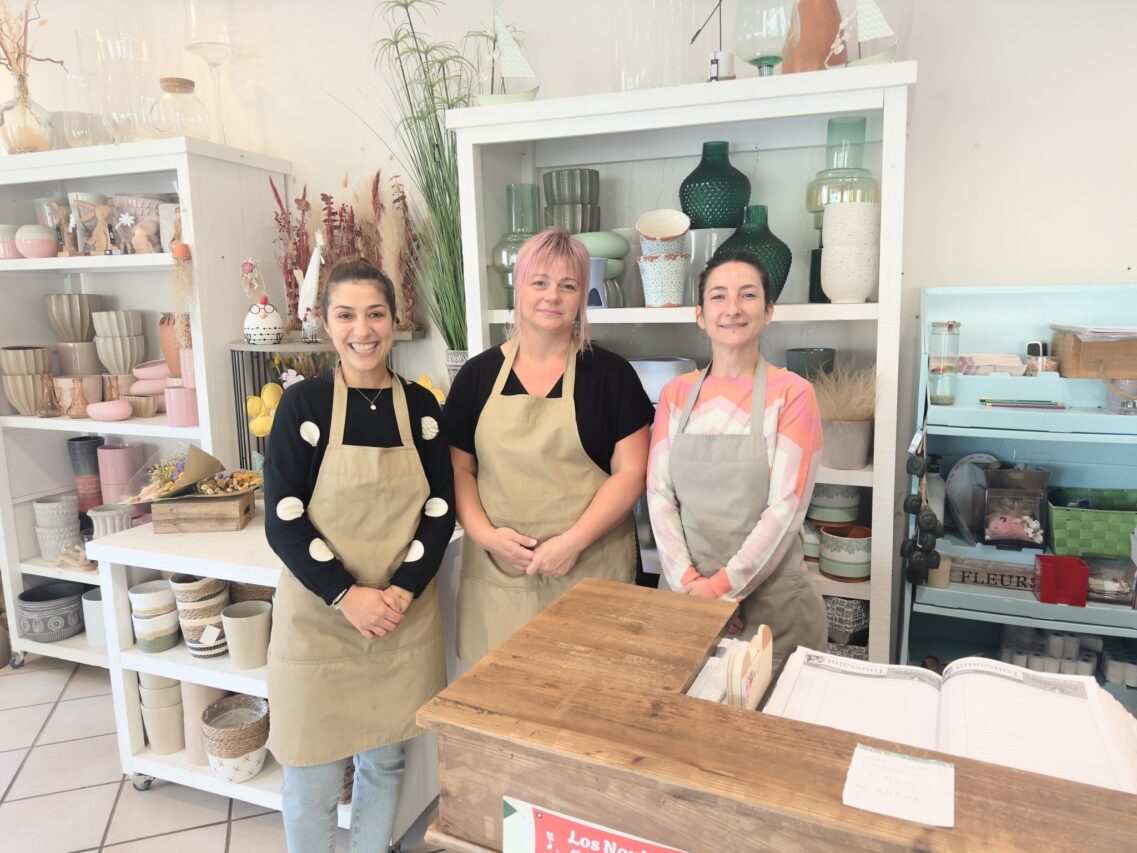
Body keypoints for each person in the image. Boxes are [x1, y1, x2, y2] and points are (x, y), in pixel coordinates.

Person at [263, 257, 455, 852]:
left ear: (395, 321)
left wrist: (399, 592)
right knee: (312, 775)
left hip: (398, 617)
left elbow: (440, 510)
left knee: (385, 762)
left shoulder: (422, 410)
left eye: (375, 313)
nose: (362, 329)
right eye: (346, 315)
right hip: (322, 615)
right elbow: (283, 518)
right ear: (326, 324)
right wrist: (348, 595)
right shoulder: (303, 407)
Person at [444, 228, 653, 663]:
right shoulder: (477, 376)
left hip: (589, 572)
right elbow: (459, 469)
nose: (551, 296)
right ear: (518, 288)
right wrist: (487, 536)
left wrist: (573, 542)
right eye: (539, 282)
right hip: (499, 575)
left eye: (568, 285)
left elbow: (631, 473)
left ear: (581, 296)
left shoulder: (612, 376)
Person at [647, 249, 827, 661]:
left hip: (773, 610)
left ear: (768, 311)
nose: (732, 309)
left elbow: (786, 511)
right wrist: (690, 586)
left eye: (747, 295)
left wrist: (718, 591)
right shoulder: (675, 395)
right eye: (718, 296)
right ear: (699, 314)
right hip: (686, 598)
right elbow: (659, 495)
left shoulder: (793, 395)